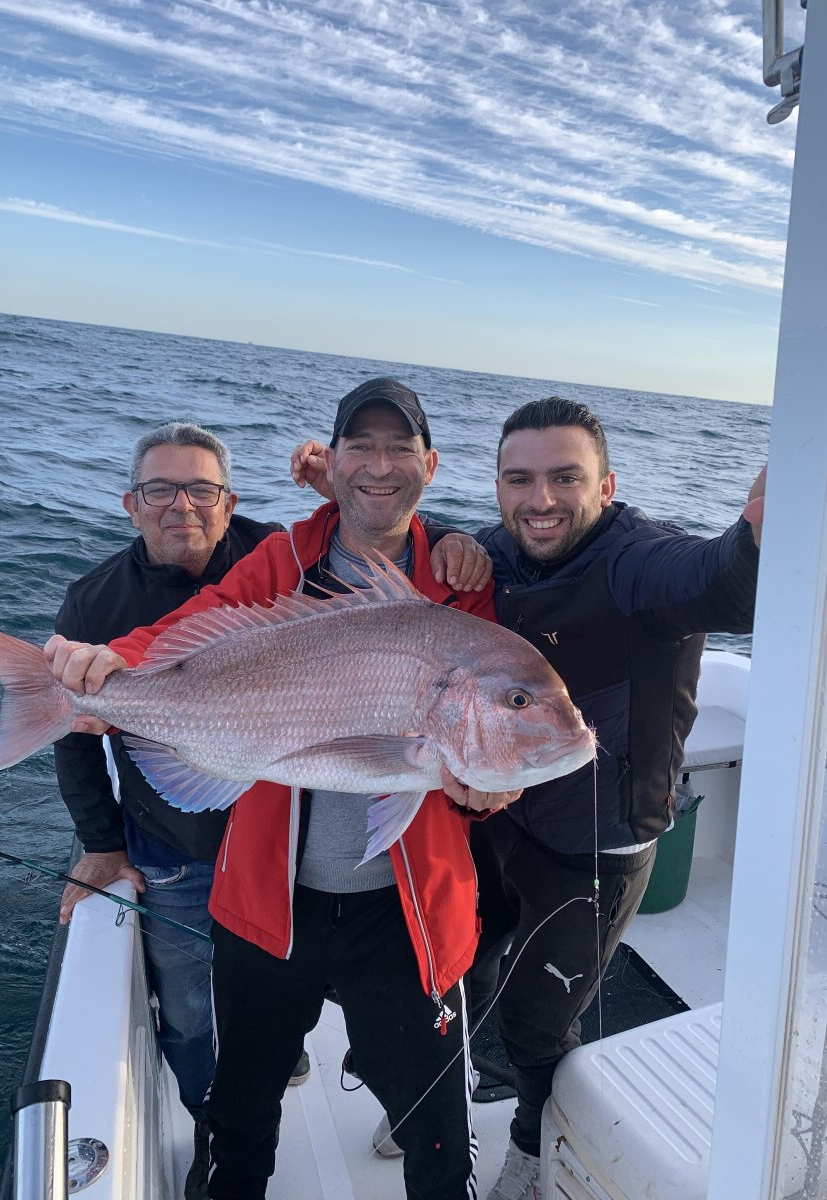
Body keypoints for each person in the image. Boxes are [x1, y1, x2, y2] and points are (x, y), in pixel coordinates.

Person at [44, 377, 517, 1200]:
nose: (378, 465)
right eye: (358, 448)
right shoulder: (280, 559)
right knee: (241, 1115)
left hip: (407, 913)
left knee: (439, 1136)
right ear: (329, 464)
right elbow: (208, 618)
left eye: (397, 447)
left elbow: (498, 715)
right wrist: (113, 667)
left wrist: (493, 786)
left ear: (430, 464)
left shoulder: (461, 578)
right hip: (269, 900)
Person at [290, 394, 764, 1200]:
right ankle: (433, 1098)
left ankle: (533, 1148)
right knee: (463, 969)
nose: (540, 500)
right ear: (498, 486)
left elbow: (725, 584)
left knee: (540, 1023)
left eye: (564, 478)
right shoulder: (491, 552)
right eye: (519, 479)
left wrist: (765, 525)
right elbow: (405, 560)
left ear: (606, 487)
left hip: (594, 838)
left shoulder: (639, 562)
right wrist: (355, 494)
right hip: (497, 810)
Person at [52, 420, 292, 1200]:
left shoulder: (280, 560)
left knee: (284, 988)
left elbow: (378, 543)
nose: (180, 505)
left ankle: (283, 1055)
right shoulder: (95, 600)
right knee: (188, 1011)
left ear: (231, 504)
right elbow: (73, 738)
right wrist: (102, 846)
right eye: (160, 489)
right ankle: (209, 1123)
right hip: (172, 845)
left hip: (277, 841)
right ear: (131, 503)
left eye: (202, 489)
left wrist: (457, 539)